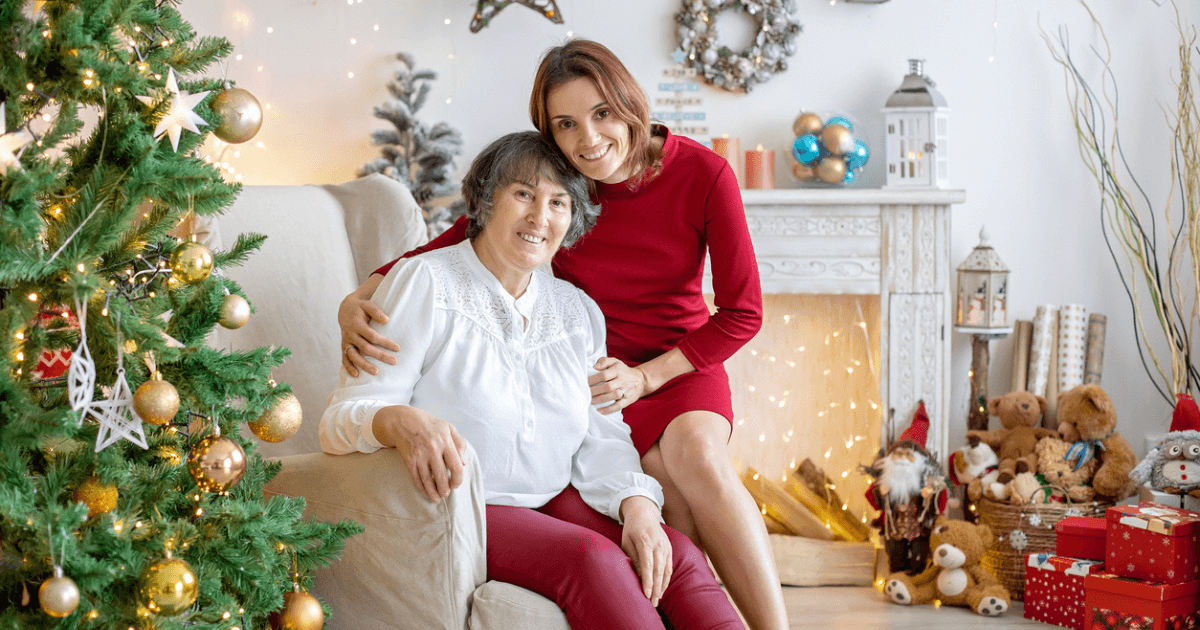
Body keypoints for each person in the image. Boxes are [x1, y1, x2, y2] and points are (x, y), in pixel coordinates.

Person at [340, 41, 788, 630]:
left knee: (695, 456)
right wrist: (360, 295)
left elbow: (743, 312)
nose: (590, 138)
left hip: (672, 362)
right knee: (662, 514)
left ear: (629, 104)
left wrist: (648, 376)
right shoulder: (563, 185)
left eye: (603, 113)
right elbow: (460, 235)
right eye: (567, 125)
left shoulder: (703, 173)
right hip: (590, 368)